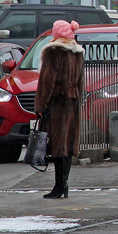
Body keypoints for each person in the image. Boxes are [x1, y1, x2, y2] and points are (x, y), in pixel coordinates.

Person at [35, 20, 84, 200]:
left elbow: (46, 82)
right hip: (72, 101)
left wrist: (40, 105)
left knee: (57, 144)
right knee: (67, 143)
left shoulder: (53, 51)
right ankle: (64, 184)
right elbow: (81, 81)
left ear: (57, 33)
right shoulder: (77, 52)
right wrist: (78, 99)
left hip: (57, 102)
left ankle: (58, 186)